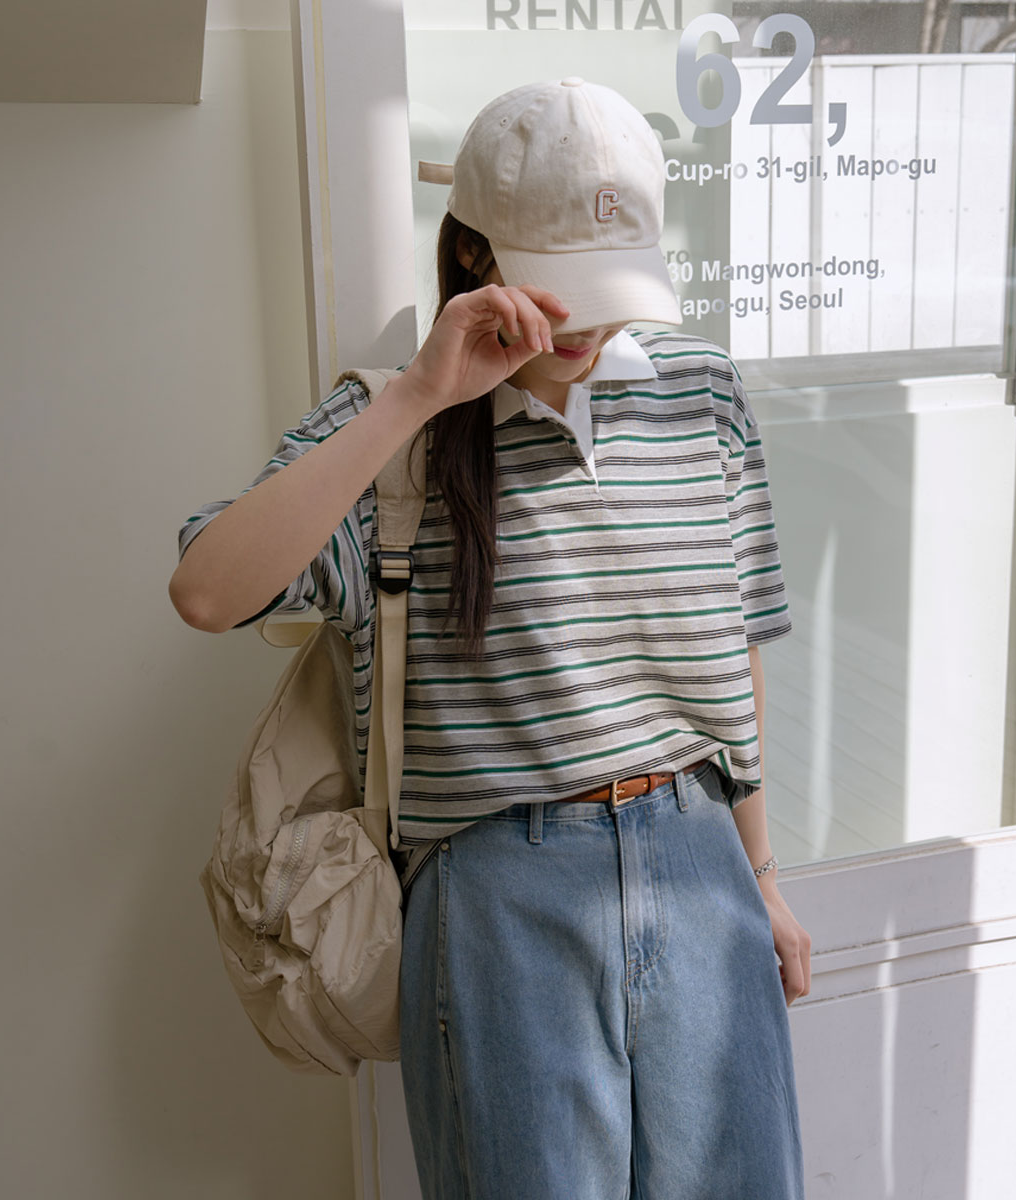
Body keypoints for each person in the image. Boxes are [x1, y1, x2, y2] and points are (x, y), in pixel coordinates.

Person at [170, 77, 811, 1200]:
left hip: (700, 857)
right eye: (564, 291)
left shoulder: (701, 393)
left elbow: (736, 641)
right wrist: (416, 396)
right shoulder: (397, 434)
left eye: (614, 289)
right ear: (475, 256)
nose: (594, 324)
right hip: (499, 893)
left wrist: (760, 871)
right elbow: (209, 592)